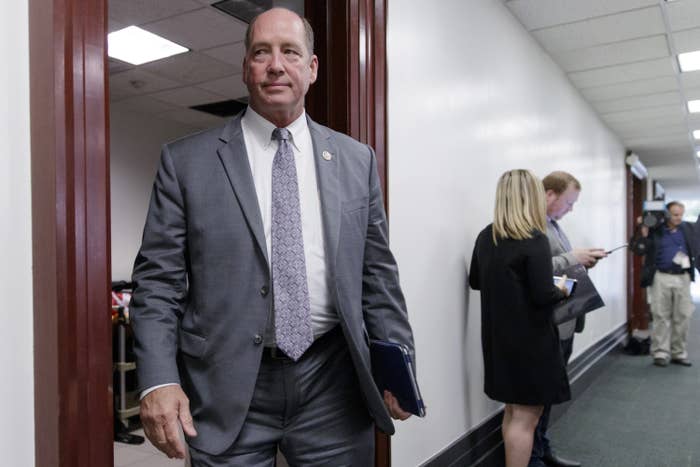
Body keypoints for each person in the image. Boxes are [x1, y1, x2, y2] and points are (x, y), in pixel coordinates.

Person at [129, 7, 416, 466]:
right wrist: (159, 380)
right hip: (224, 385)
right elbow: (158, 284)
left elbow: (377, 274)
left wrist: (398, 364)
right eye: (261, 52)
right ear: (246, 67)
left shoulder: (355, 160)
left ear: (312, 67)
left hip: (334, 383)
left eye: (290, 52)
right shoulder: (186, 163)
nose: (276, 64)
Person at [470, 169, 571, 467]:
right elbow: (543, 295)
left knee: (513, 413)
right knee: (527, 419)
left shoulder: (486, 236)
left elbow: (476, 281)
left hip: (498, 341)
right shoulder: (534, 238)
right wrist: (562, 288)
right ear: (533, 198)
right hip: (532, 343)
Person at [527, 171, 607, 467]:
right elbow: (535, 273)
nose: (571, 209)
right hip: (548, 324)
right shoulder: (531, 229)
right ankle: (533, 456)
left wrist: (583, 263)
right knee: (538, 397)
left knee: (550, 394)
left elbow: (558, 274)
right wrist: (575, 258)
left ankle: (543, 447)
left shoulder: (555, 226)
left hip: (566, 321)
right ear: (549, 194)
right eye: (569, 202)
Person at [632, 201, 696, 367]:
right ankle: (660, 352)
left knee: (683, 315)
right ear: (667, 214)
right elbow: (637, 249)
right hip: (661, 276)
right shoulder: (655, 230)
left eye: (681, 214)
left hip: (683, 277)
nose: (678, 218)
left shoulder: (688, 228)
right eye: (675, 214)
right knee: (661, 315)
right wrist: (641, 231)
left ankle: (679, 353)